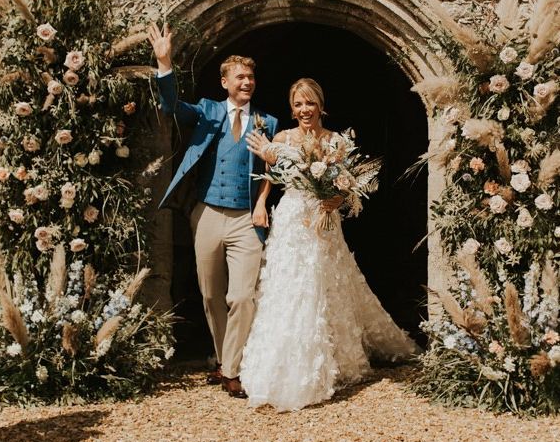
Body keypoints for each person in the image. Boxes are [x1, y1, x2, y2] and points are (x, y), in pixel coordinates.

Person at [241, 78, 419, 411]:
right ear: (292, 109)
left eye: (310, 103)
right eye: (298, 104)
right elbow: (269, 175)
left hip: (323, 220)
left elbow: (346, 185)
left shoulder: (335, 141)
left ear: (321, 106)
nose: (304, 110)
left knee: (322, 285)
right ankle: (276, 369)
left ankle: (326, 364)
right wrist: (261, 203)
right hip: (293, 217)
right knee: (287, 286)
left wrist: (334, 200)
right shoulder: (282, 139)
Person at [148, 22, 278, 397]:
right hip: (206, 213)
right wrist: (165, 63)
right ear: (225, 82)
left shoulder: (266, 122)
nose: (247, 83)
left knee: (241, 296)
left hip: (246, 219)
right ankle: (224, 362)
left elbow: (275, 169)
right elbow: (170, 106)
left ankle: (234, 369)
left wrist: (262, 202)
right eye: (240, 77)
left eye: (251, 77)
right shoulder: (206, 112)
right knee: (210, 295)